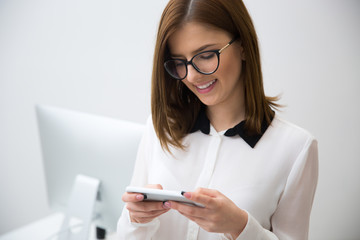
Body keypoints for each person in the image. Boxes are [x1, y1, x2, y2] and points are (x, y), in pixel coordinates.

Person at [117, 0, 318, 239]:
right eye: (179, 62)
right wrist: (136, 219)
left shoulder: (295, 148)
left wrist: (240, 227)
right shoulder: (160, 128)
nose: (191, 76)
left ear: (242, 45)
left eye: (205, 55)